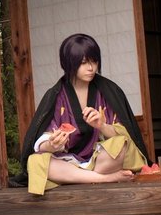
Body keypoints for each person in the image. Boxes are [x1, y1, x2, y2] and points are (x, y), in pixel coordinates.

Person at [18, 33, 150, 195]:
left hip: (100, 160)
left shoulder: (109, 91)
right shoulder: (56, 95)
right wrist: (53, 144)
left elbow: (126, 135)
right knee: (35, 161)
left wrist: (102, 126)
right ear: (68, 63)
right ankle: (104, 178)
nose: (91, 68)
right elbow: (42, 142)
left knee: (121, 145)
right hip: (68, 162)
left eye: (94, 61)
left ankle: (81, 177)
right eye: (83, 63)